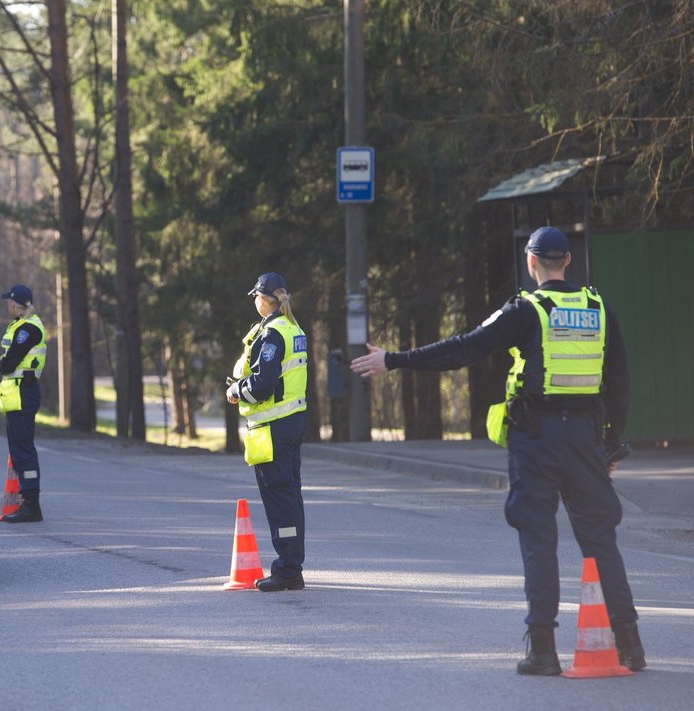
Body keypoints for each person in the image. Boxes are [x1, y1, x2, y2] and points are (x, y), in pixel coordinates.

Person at [349, 226, 644, 675]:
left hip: (537, 438)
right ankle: (630, 645)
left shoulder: (526, 310)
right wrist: (612, 441)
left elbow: (464, 348)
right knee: (601, 538)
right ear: (567, 261)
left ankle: (542, 649)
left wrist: (394, 359)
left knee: (538, 538)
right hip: (585, 439)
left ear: (531, 262)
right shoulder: (598, 308)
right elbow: (619, 382)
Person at [225, 272, 310, 592]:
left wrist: (236, 392)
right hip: (290, 422)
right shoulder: (292, 328)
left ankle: (288, 569)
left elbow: (262, 384)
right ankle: (291, 564)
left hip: (273, 426)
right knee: (288, 494)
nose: (255, 303)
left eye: (256, 298)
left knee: (279, 498)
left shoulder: (273, 333)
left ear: (264, 299)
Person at [0, 284, 47, 523]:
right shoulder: (22, 325)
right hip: (18, 396)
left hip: (23, 395)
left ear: (15, 303)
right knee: (20, 450)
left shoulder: (28, 328)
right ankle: (27, 500)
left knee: (24, 451)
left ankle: (32, 505)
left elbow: (10, 364)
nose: (7, 306)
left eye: (8, 302)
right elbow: (12, 362)